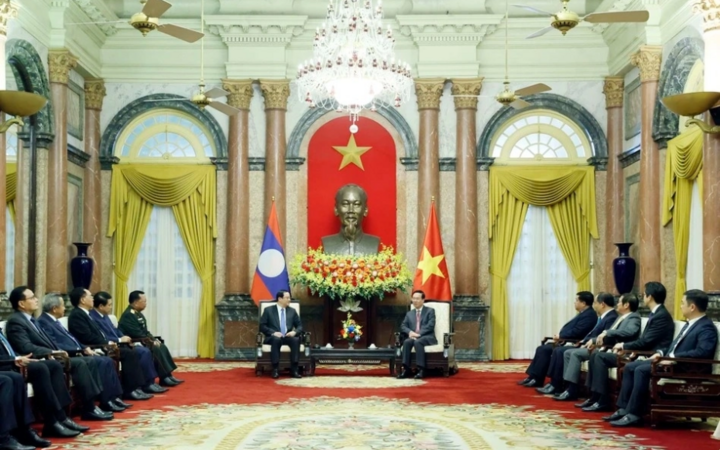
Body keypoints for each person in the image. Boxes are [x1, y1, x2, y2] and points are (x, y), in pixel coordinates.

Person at [609, 289, 718, 427]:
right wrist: (661, 353)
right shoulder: (690, 323)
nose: (680, 306)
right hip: (674, 363)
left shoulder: (706, 327)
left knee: (641, 369)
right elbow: (674, 347)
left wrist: (674, 358)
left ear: (692, 307)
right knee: (630, 366)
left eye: (682, 303)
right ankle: (624, 408)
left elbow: (703, 352)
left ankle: (634, 414)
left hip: (688, 368)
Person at [5, 286, 113, 422]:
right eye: (32, 297)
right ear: (21, 303)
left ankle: (81, 409)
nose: (36, 299)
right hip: (36, 360)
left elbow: (50, 342)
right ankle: (81, 410)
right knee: (79, 363)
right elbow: (25, 346)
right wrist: (51, 352)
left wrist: (57, 350)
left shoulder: (31, 320)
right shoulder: (16, 321)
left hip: (50, 357)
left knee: (86, 360)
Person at [584, 282, 674, 414]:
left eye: (644, 294)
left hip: (652, 355)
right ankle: (602, 399)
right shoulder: (656, 313)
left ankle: (609, 403)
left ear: (650, 297)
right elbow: (645, 340)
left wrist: (626, 346)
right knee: (597, 355)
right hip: (645, 353)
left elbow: (646, 341)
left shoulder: (661, 316)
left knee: (603, 357)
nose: (643, 296)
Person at [37, 292, 130, 413]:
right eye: (63, 305)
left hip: (77, 352)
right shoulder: (44, 321)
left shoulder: (54, 320)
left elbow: (72, 338)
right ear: (54, 308)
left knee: (106, 360)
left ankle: (112, 397)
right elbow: (54, 344)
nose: (65, 308)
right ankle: (97, 403)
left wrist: (84, 347)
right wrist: (79, 350)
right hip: (65, 356)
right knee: (95, 361)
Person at [0, 331, 84, 439]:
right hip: (5, 365)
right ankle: (50, 421)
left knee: (53, 365)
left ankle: (61, 416)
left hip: (13, 361)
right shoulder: (15, 322)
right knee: (39, 369)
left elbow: (9, 350)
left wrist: (19, 356)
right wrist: (14, 359)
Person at [567, 293, 641, 412]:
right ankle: (594, 396)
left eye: (620, 302)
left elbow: (629, 332)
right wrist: (597, 339)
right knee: (595, 354)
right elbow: (607, 334)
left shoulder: (634, 317)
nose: (617, 304)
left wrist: (608, 333)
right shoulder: (621, 317)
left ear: (627, 305)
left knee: (599, 356)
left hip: (625, 353)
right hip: (614, 350)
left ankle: (603, 399)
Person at [88, 291, 160, 398]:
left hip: (119, 343)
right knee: (137, 352)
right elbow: (102, 337)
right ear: (101, 306)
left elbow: (115, 330)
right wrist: (119, 339)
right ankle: (132, 389)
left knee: (143, 350)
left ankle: (145, 383)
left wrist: (123, 337)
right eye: (109, 305)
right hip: (110, 345)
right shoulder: (93, 318)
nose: (111, 307)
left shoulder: (105, 315)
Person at [518, 291, 597, 389]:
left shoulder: (590, 315)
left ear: (584, 303)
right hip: (566, 340)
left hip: (573, 342)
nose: (574, 302)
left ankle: (548, 381)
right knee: (542, 348)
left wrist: (561, 336)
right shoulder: (583, 313)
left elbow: (579, 331)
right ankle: (534, 376)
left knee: (547, 350)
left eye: (576, 300)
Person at [549, 292, 618, 400]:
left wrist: (592, 341)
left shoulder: (612, 317)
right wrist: (583, 341)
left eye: (595, 302)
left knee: (574, 353)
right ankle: (568, 387)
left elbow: (607, 337)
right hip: (589, 345)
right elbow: (592, 333)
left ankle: (572, 390)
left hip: (599, 348)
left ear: (602, 304)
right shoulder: (603, 316)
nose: (593, 305)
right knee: (567, 352)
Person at [118, 291, 183, 387]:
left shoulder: (138, 314)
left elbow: (145, 331)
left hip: (141, 340)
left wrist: (153, 339)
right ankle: (162, 377)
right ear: (136, 302)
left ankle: (167, 375)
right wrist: (151, 341)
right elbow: (136, 333)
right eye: (144, 301)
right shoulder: (129, 315)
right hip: (133, 342)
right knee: (155, 348)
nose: (146, 303)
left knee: (161, 346)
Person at [321, 184, 380, 255]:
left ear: (365, 210)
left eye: (356, 204)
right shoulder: (327, 243)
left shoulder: (374, 243)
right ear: (336, 209)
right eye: (345, 204)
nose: (351, 210)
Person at [259, 290, 303, 379]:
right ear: (280, 299)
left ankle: (294, 369)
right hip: (273, 337)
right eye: (287, 298)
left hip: (287, 336)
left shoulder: (292, 311)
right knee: (276, 339)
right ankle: (275, 369)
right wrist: (273, 333)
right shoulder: (268, 310)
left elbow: (300, 326)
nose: (289, 300)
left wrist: (294, 332)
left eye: (289, 298)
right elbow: (262, 326)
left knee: (295, 340)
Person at [397, 290, 437, 380]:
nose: (415, 301)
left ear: (423, 300)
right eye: (413, 298)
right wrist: (410, 332)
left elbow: (430, 326)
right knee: (407, 342)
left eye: (417, 299)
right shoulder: (409, 313)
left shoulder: (430, 311)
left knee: (418, 342)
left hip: (427, 337)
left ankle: (421, 369)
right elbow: (403, 326)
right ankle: (406, 369)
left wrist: (418, 334)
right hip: (413, 336)